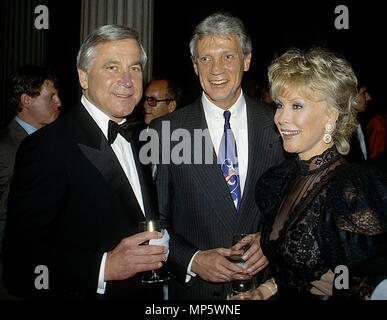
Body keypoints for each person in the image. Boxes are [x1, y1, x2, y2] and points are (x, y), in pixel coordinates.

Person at [1, 25, 168, 299]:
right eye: (112, 67)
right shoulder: (47, 147)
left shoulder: (141, 138)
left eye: (135, 68)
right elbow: (19, 265)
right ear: (84, 76)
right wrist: (103, 267)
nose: (127, 80)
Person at [150, 12, 285, 300]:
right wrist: (192, 260)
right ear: (194, 65)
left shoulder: (279, 126)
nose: (216, 69)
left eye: (227, 56)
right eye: (205, 59)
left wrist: (271, 241)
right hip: (195, 293)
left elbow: (294, 207)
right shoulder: (166, 132)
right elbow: (154, 221)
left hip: (262, 289)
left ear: (247, 60)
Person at [247, 47, 387, 300]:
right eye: (280, 105)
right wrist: (266, 289)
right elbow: (289, 266)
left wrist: (347, 288)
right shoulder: (278, 180)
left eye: (297, 106)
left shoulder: (349, 187)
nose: (281, 117)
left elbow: (374, 279)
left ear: (331, 116)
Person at [0, 65, 61, 299]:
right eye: (51, 96)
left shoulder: (52, 143)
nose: (59, 102)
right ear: (26, 100)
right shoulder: (5, 148)